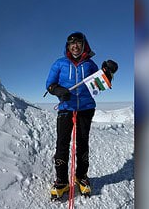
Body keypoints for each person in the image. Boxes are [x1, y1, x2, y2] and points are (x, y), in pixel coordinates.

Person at [45, 32, 117, 199]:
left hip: (85, 109)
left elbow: (100, 83)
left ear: (84, 45)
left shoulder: (90, 64)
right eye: (72, 44)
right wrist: (57, 90)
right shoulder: (59, 63)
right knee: (62, 145)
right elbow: (50, 84)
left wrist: (109, 72)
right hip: (66, 108)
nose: (75, 46)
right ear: (68, 47)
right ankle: (62, 181)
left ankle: (81, 177)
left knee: (82, 143)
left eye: (78, 43)